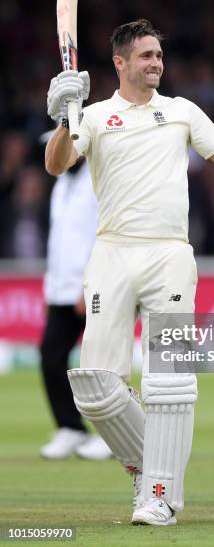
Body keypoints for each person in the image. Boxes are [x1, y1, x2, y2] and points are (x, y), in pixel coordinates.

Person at [43, 19, 214, 526]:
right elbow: (56, 166)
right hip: (112, 254)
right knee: (95, 386)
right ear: (120, 63)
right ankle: (154, 471)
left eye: (159, 56)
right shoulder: (95, 116)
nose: (156, 64)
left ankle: (159, 495)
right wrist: (62, 118)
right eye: (145, 56)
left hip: (169, 254)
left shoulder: (181, 111)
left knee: (169, 380)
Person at [39, 136, 112, 461]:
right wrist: (51, 286)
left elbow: (105, 234)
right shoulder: (61, 183)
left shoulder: (99, 179)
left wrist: (92, 282)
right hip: (61, 287)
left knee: (102, 364)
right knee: (51, 356)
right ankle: (70, 428)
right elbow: (60, 239)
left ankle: (113, 435)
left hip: (93, 287)